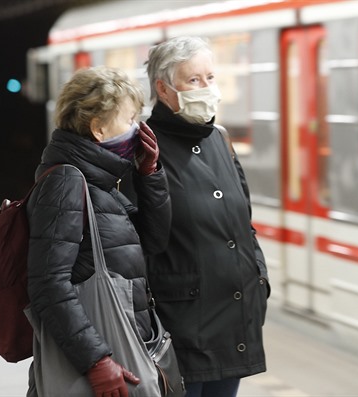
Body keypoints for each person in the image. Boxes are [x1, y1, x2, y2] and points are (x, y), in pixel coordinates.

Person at [25, 66, 171, 396]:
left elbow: (155, 240)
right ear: (99, 129)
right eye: (130, 119)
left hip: (121, 347)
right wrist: (96, 361)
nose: (137, 129)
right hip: (99, 362)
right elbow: (48, 283)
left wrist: (149, 175)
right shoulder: (67, 182)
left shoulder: (100, 184)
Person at [142, 36, 270, 397]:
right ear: (164, 89)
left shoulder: (221, 139)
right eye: (193, 80)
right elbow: (137, 239)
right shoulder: (145, 149)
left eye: (210, 78)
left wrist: (258, 279)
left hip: (234, 323)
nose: (206, 88)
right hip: (179, 328)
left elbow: (244, 223)